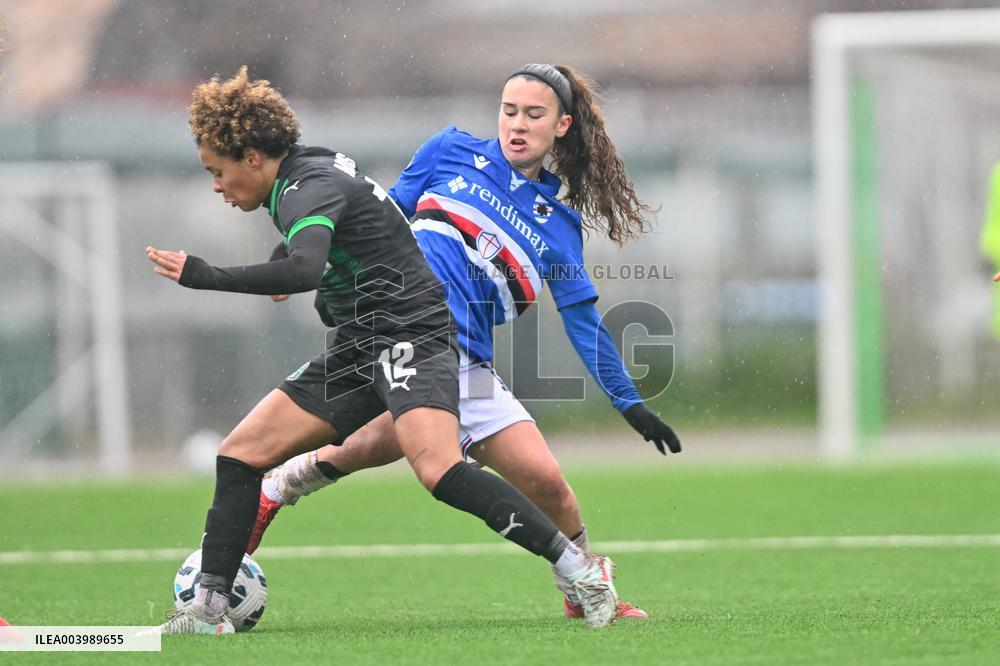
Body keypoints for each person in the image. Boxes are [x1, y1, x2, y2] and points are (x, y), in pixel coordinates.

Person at [146, 66, 621, 634]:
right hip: (360, 341)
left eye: (217, 172)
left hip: (411, 331)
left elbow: (305, 268)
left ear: (252, 157)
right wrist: (290, 249)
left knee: (439, 468)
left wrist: (202, 274)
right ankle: (210, 609)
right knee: (240, 452)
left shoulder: (306, 185)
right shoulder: (305, 169)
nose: (216, 187)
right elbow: (328, 226)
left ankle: (581, 571)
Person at [249, 63, 682, 620]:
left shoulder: (559, 226)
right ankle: (275, 487)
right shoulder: (449, 150)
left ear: (563, 126)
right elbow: (376, 215)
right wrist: (294, 252)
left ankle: (582, 592)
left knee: (548, 483)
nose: (517, 125)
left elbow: (582, 322)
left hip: (466, 360)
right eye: (508, 111)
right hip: (398, 329)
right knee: (401, 443)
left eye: (533, 114)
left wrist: (631, 404)